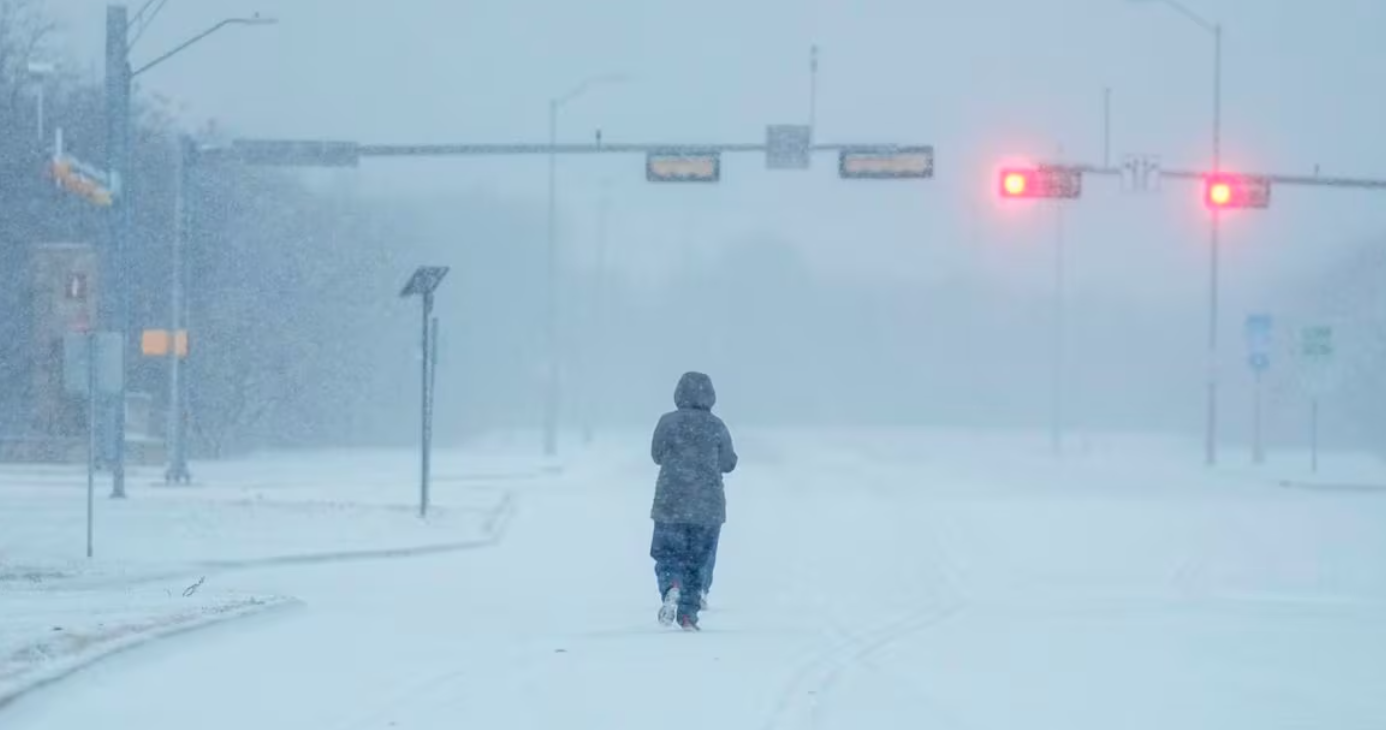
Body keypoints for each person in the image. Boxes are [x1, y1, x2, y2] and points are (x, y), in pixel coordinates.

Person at [649, 371, 737, 630]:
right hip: (707, 508)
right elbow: (728, 463)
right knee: (697, 561)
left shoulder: (667, 423)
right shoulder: (717, 426)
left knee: (668, 554)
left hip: (670, 503)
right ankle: (688, 614)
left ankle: (671, 585)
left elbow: (656, 455)